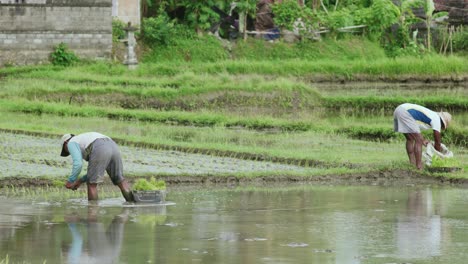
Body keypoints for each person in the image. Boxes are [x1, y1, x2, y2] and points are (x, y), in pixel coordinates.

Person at [60, 132, 134, 201]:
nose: (69, 152)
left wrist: (70, 181)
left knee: (92, 184)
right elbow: (96, 170)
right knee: (120, 180)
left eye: (66, 150)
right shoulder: (84, 139)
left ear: (65, 143)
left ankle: (92, 210)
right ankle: (132, 203)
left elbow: (78, 164)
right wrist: (80, 181)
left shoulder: (71, 142)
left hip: (99, 146)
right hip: (113, 146)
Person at [393, 103, 452, 170]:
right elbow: (437, 141)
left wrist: (423, 139)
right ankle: (419, 166)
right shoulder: (437, 120)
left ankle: (412, 163)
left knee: (410, 139)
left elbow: (414, 128)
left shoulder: (432, 115)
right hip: (405, 112)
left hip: (399, 110)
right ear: (443, 123)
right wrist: (437, 154)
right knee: (419, 140)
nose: (441, 128)